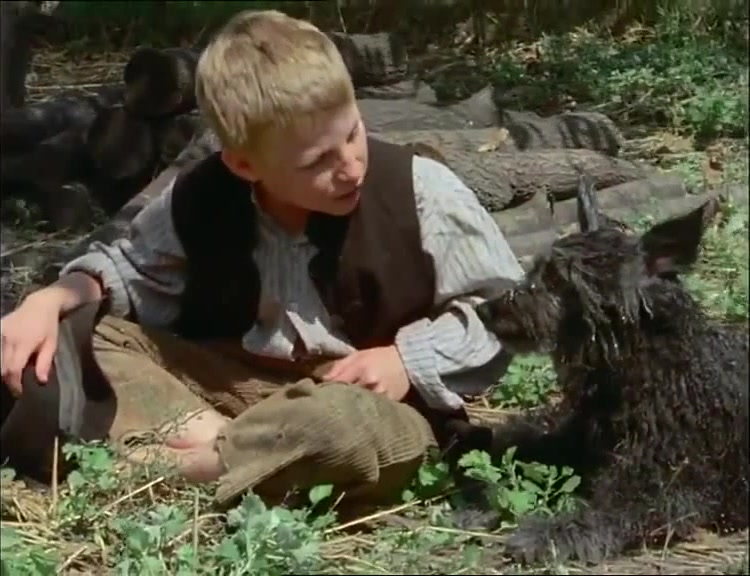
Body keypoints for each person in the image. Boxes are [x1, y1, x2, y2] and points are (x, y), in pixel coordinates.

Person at [0, 10, 524, 509]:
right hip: (220, 392)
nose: (350, 166)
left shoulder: (421, 192)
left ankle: (171, 466)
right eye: (318, 160)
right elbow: (129, 272)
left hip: (367, 403)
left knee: (338, 429)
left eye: (353, 133)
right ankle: (238, 453)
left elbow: (505, 311)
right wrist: (51, 300)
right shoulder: (201, 195)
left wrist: (405, 360)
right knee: (82, 337)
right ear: (246, 164)